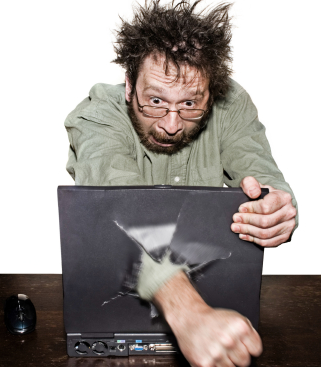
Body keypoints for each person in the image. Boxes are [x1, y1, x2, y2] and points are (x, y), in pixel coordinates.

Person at [64, 1, 298, 366]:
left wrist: (275, 209)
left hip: (214, 307)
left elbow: (263, 175)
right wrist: (188, 313)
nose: (171, 125)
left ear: (212, 94)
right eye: (155, 100)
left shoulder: (230, 105)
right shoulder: (97, 116)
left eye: (190, 104)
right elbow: (117, 213)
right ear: (129, 86)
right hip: (119, 306)